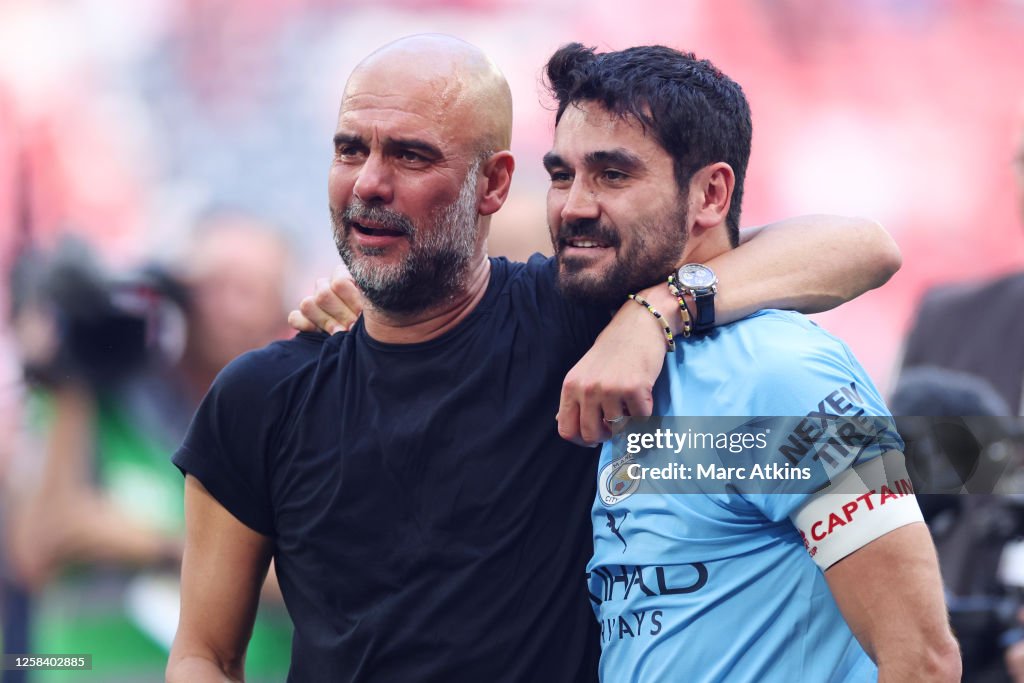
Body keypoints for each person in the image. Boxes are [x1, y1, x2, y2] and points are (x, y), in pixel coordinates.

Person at [167, 34, 902, 682]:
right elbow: (204, 652)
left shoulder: (576, 318)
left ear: (491, 184)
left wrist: (657, 311)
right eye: (350, 149)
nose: (369, 182)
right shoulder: (261, 397)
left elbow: (862, 247)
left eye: (410, 154)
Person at [537, 43, 960, 681]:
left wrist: (660, 307)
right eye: (562, 175)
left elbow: (922, 661)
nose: (573, 205)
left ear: (711, 194)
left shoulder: (785, 374)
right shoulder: (615, 350)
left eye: (613, 174)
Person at [2, 212, 294, 682]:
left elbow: (318, 575)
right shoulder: (102, 398)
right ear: (179, 292)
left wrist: (138, 540)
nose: (225, 308)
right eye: (211, 285)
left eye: (247, 290)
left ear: (283, 308)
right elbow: (33, 552)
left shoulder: (296, 421)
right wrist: (68, 366)